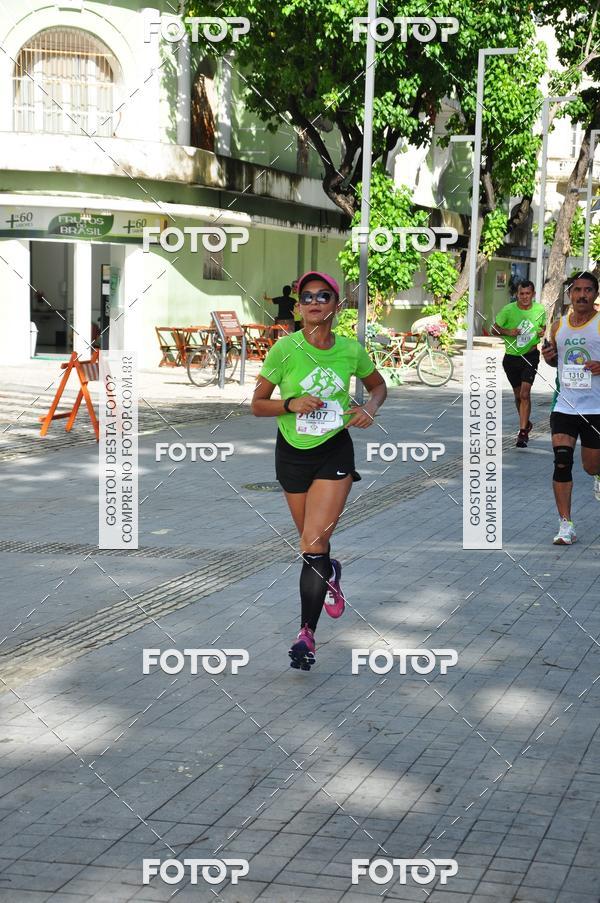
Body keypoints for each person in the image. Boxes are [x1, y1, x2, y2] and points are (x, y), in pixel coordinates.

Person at [251, 271, 387, 670]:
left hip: (334, 452)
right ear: (298, 307)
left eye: (323, 296)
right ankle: (331, 573)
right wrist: (290, 404)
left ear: (335, 305)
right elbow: (257, 404)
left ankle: (305, 636)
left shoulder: (350, 349)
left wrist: (368, 408)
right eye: (306, 297)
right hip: (291, 453)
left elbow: (378, 387)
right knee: (312, 546)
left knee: (312, 544)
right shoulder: (284, 349)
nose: (314, 302)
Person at [541, 271, 600, 545]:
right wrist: (550, 358)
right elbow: (557, 362)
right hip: (565, 405)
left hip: (596, 408)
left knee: (590, 466)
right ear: (570, 295)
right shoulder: (558, 326)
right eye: (577, 290)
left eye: (588, 290)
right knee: (562, 461)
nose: (582, 295)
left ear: (596, 294)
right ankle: (566, 524)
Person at [492, 280, 546, 448]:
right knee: (517, 396)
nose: (524, 297)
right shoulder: (508, 310)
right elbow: (494, 329)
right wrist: (509, 332)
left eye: (527, 294)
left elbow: (542, 326)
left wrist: (542, 331)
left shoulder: (540, 309)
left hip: (530, 356)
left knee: (524, 394)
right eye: (521, 294)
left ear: (533, 294)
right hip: (511, 358)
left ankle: (522, 433)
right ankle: (526, 423)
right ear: (517, 294)